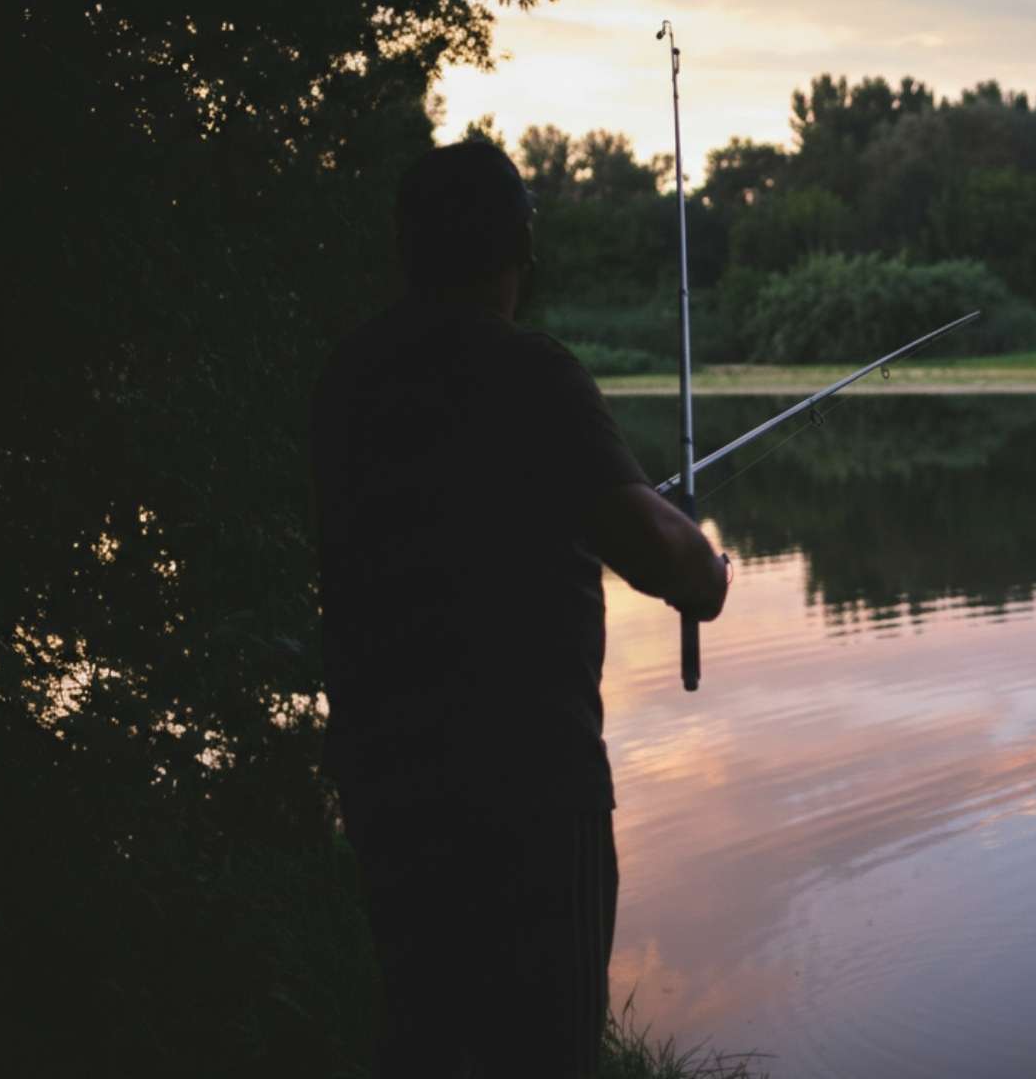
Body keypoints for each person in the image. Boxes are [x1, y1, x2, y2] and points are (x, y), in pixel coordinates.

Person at [311, 140, 729, 1078]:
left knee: (426, 1038)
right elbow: (664, 559)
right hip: (532, 795)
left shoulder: (348, 381)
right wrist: (708, 564)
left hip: (387, 783)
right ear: (517, 253)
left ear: (403, 249)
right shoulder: (530, 375)